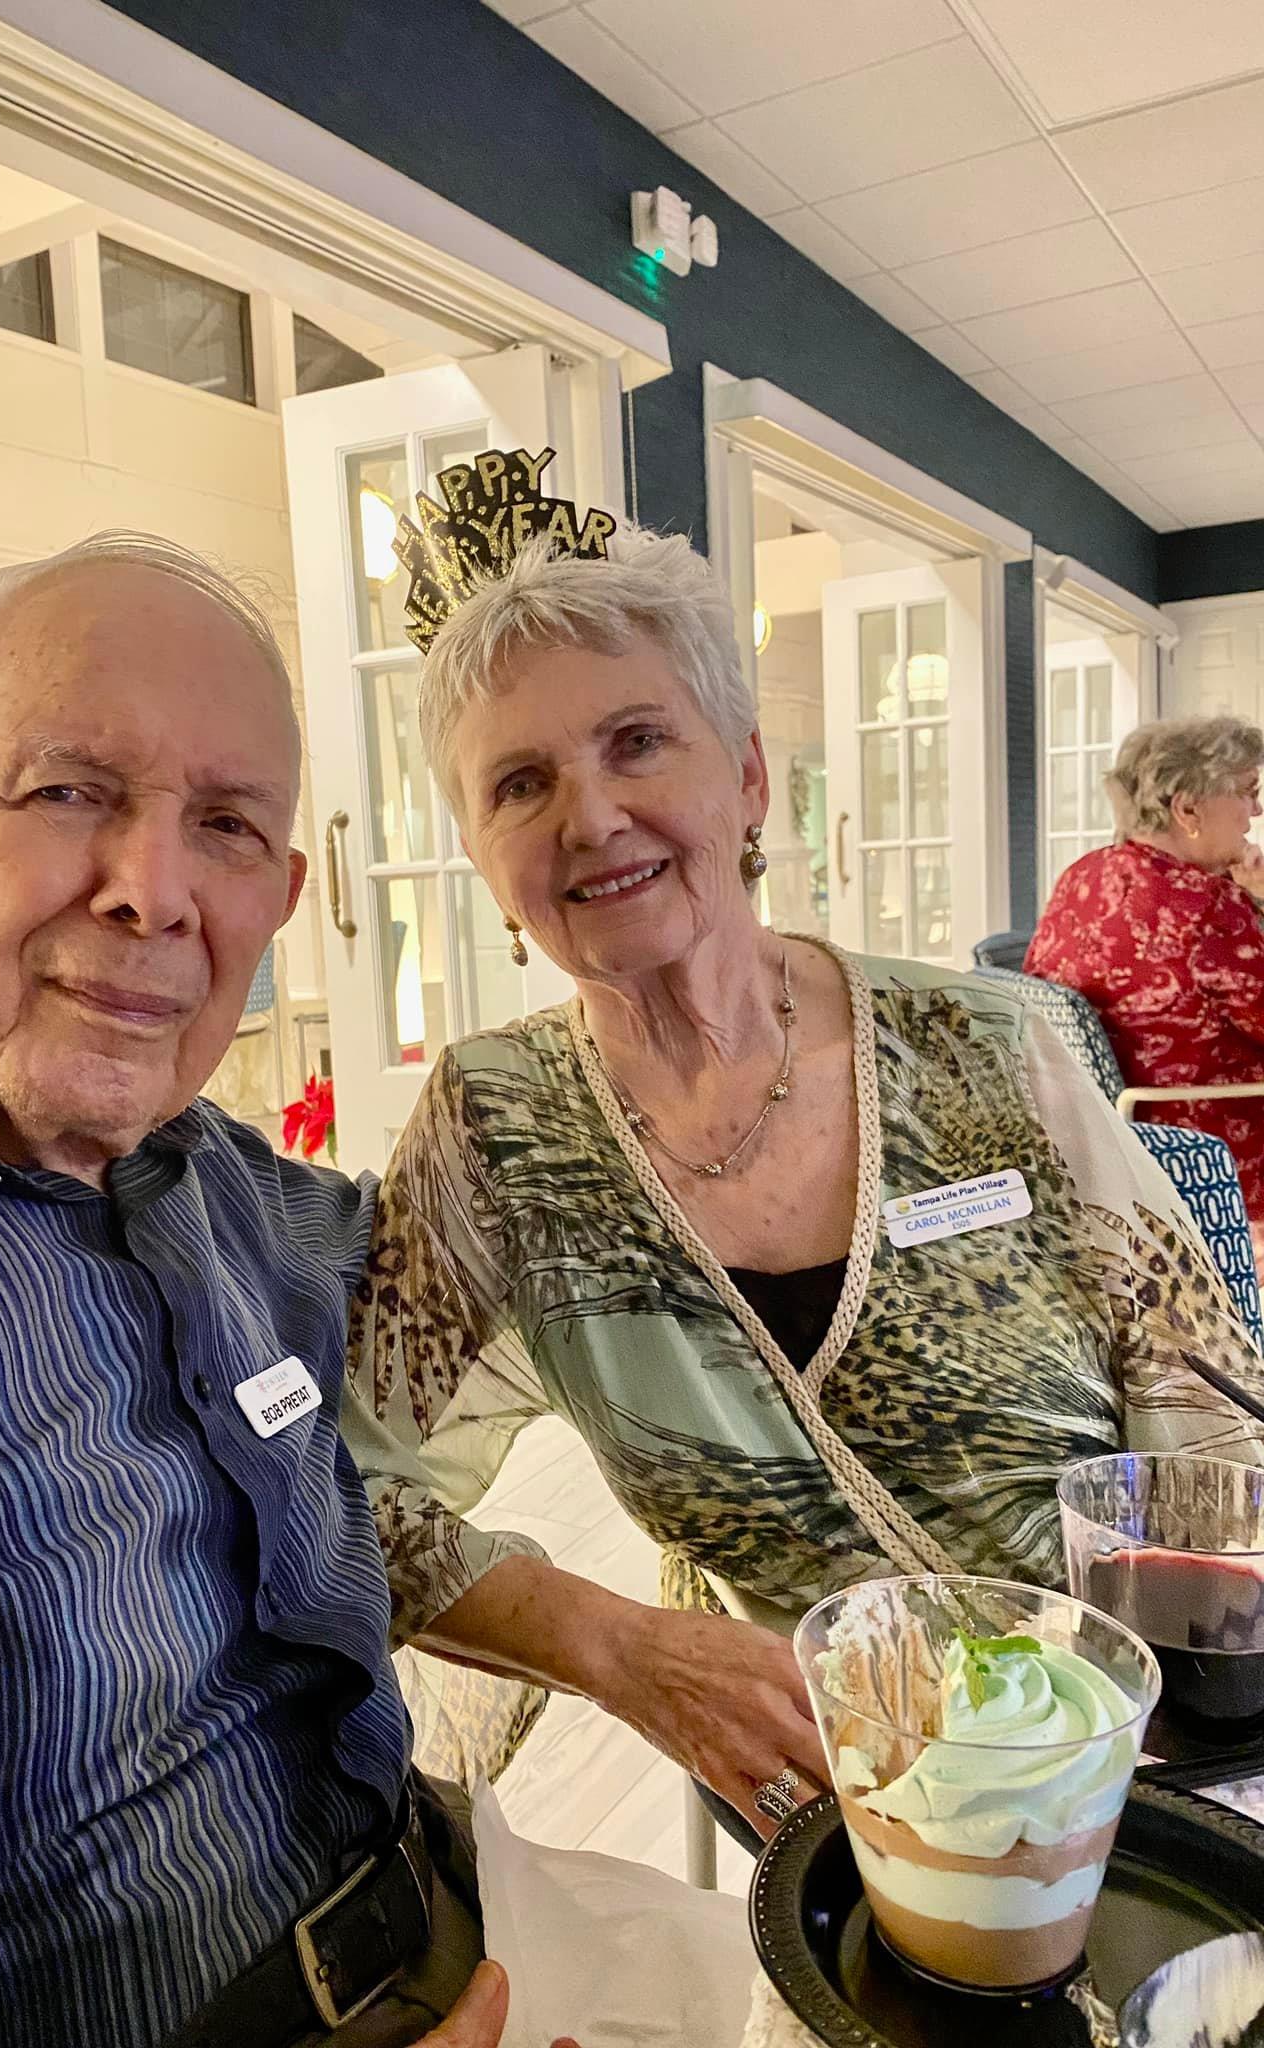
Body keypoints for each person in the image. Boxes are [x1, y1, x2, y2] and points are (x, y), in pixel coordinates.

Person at [0, 531, 565, 2048]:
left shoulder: (204, 1171)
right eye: (68, 793)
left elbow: (483, 1285)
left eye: (228, 827)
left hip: (448, 1929)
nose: (154, 892)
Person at [344, 519, 1264, 1858]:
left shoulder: (986, 1045)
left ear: (751, 777)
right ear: (484, 857)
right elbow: (344, 1489)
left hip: (1156, 1732)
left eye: (639, 742)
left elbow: (1200, 1380)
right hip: (851, 1798)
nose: (590, 815)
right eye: (521, 782)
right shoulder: (498, 1129)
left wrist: (1198, 1714)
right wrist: (623, 1649)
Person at [1026, 714, 1264, 1256]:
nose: (1255, 812)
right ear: (1187, 809)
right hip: (1211, 1155)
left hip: (1108, 1143)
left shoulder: (1084, 874)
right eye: (1248, 793)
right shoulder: (1207, 906)